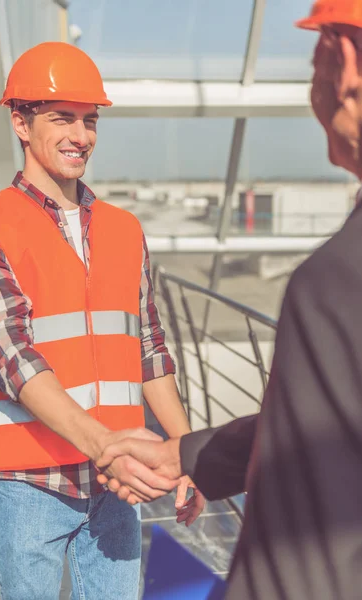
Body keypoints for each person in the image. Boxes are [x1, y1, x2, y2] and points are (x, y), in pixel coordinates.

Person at [96, 1, 362, 597]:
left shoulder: (339, 280)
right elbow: (326, 427)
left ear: (342, 61)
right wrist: (187, 455)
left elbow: (311, 541)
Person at [0, 42, 204, 600]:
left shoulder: (124, 229)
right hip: (30, 487)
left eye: (89, 121)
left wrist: (188, 453)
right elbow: (13, 359)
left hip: (115, 488)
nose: (79, 136)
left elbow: (149, 350)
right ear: (20, 121)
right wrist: (108, 445)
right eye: (62, 118)